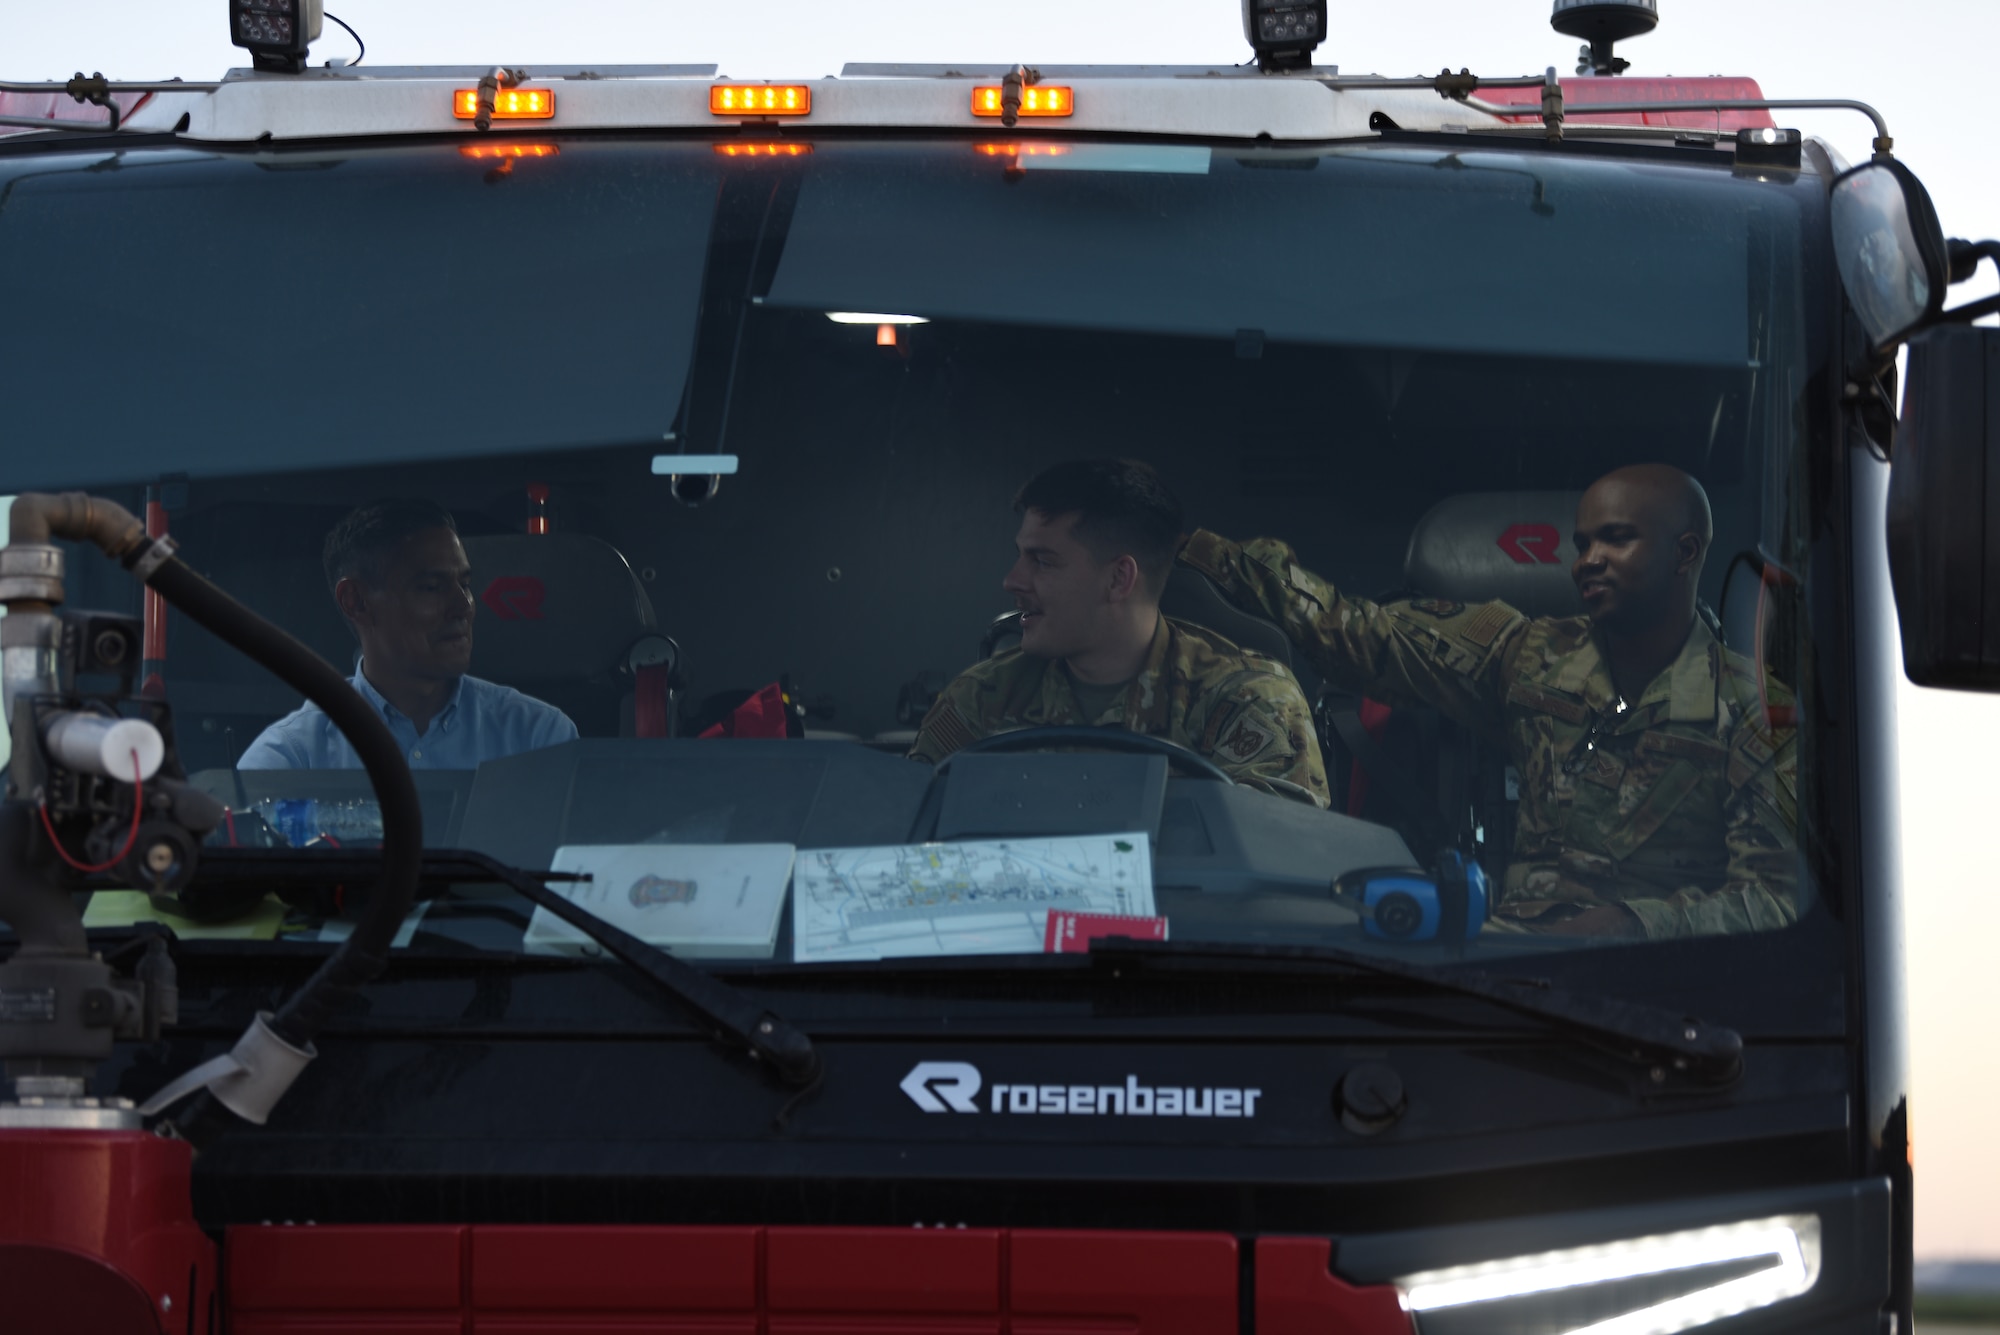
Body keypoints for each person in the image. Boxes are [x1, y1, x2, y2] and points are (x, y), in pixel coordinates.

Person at [1177, 464, 1798, 938]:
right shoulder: (1532, 655)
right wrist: (1193, 552)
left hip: (1669, 988)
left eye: (1617, 540)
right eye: (1582, 545)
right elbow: (1357, 633)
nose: (1588, 561)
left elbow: (1778, 901)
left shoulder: (1752, 711)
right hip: (1506, 967)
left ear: (1685, 553)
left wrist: (1630, 924)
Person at [909, 459, 1329, 807]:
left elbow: (1278, 857)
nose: (1012, 580)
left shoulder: (1249, 700)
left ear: (1117, 579)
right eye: (1020, 555)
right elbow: (905, 823)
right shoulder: (982, 696)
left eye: (1042, 561)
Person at [239, 499, 577, 770]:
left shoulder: (538, 737)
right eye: (431, 587)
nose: (464, 607)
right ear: (356, 602)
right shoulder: (292, 758)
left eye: (465, 585)